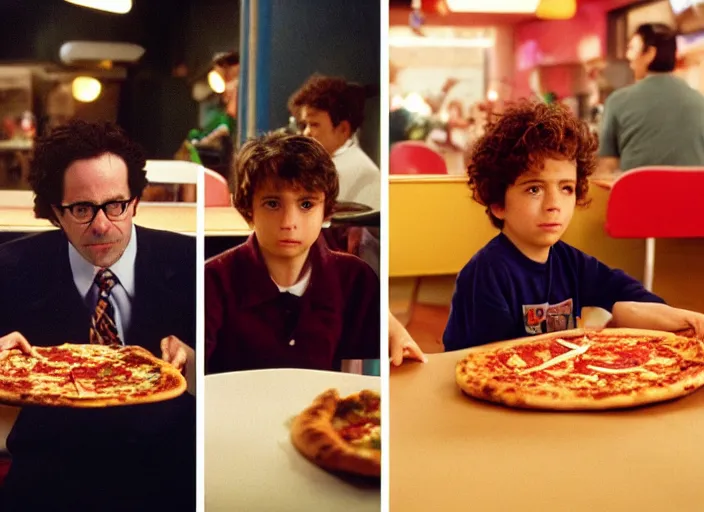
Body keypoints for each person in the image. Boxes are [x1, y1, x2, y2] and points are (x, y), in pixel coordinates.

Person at [0, 120, 196, 511]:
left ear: (136, 201)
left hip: (166, 475)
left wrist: (193, 364)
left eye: (117, 205)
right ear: (56, 211)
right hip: (48, 477)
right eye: (83, 209)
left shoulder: (193, 264)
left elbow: (228, 382)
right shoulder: (8, 268)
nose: (103, 225)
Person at [444, 100, 704, 351]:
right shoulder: (485, 275)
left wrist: (688, 320)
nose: (554, 204)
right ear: (498, 203)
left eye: (566, 188)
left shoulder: (573, 264)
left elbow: (633, 298)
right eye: (534, 189)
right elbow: (487, 364)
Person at [205, 132, 380, 374]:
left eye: (306, 204)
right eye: (273, 204)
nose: (289, 222)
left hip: (324, 409)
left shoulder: (354, 277)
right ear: (248, 207)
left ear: (326, 209)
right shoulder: (211, 281)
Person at [598, 23, 704, 174]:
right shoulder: (700, 101)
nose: (628, 56)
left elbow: (606, 167)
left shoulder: (618, 101)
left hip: (637, 196)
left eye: (632, 49)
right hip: (695, 197)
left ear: (650, 54)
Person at [288, 74, 380, 210]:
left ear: (343, 129)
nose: (306, 133)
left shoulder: (358, 171)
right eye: (304, 125)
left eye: (314, 124)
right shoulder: (325, 165)